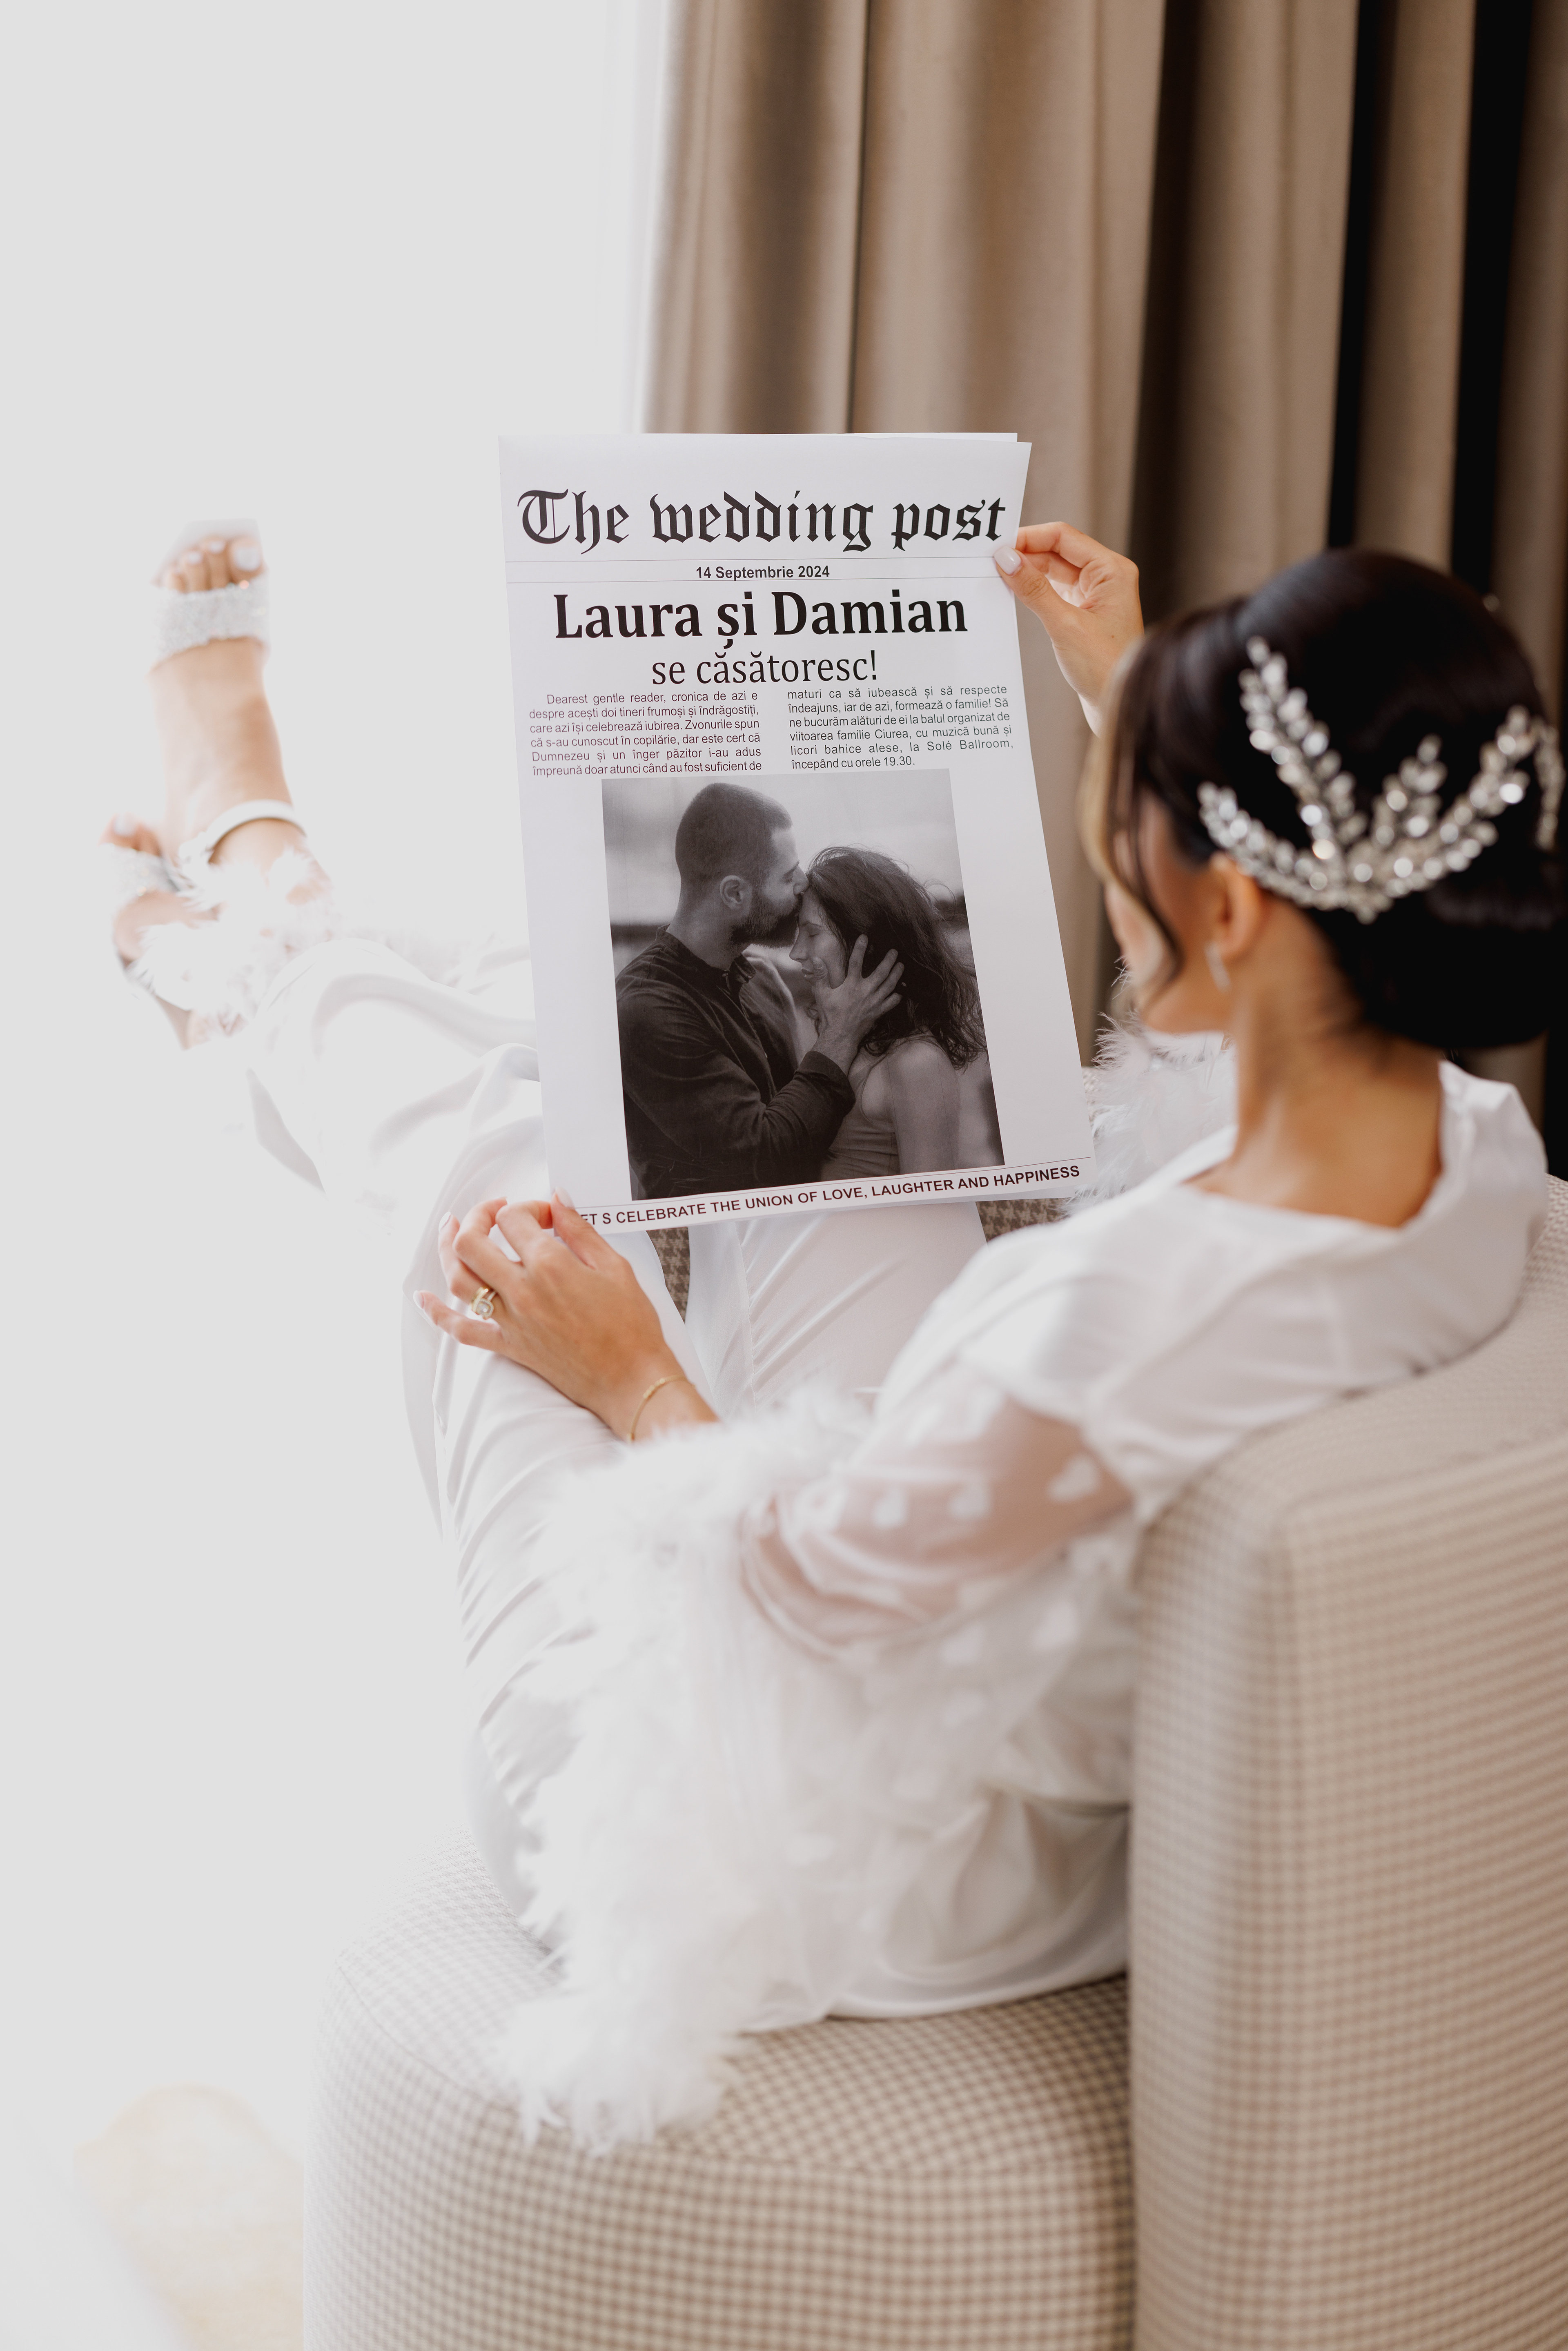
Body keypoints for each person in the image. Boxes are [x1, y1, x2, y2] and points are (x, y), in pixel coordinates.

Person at [102, 516, 1559, 2150]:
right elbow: (1259, 985)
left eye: (1128, 825)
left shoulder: (1118, 1330)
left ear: (1229, 905)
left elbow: (795, 1582)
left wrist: (631, 1373)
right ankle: (261, 971)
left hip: (796, 1819)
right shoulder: (1468, 1146)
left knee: (513, 1171)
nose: (1104, 864)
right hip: (998, 1693)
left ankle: (243, 866)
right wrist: (1136, 687)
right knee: (650, 1077)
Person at [613, 781, 903, 1196]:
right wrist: (842, 1033)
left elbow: (806, 1118)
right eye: (787, 876)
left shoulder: (764, 980)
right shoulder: (645, 1009)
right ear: (735, 893)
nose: (804, 882)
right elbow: (764, 1162)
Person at [787, 847, 993, 1176]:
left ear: (866, 943)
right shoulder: (844, 1042)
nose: (796, 952)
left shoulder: (916, 1063)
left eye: (812, 933)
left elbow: (934, 1202)